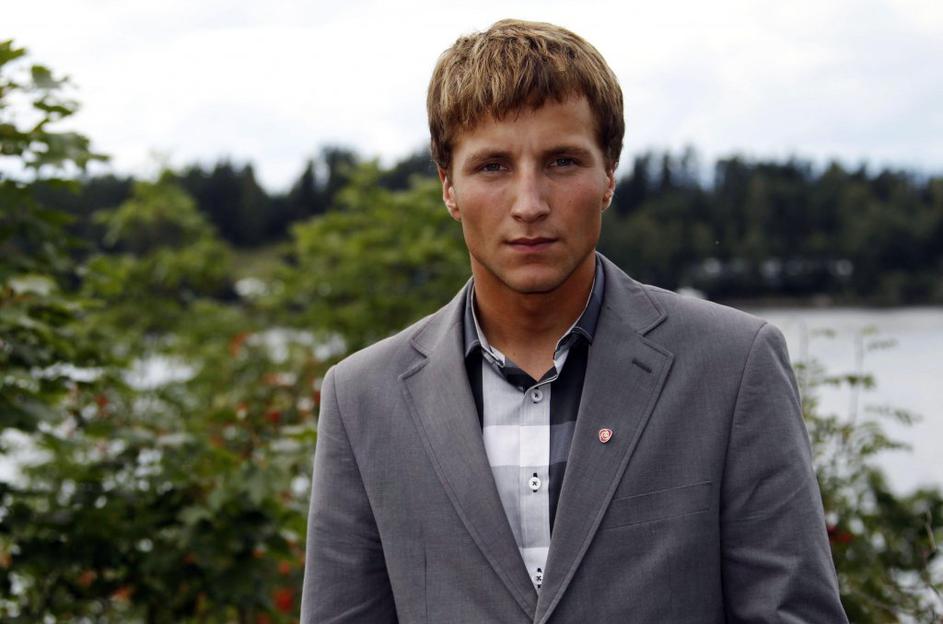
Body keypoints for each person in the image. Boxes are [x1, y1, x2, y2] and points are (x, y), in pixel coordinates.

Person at [301, 18, 847, 623]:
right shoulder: (362, 398)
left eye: (562, 162)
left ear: (608, 174)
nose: (529, 204)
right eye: (492, 167)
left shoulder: (733, 366)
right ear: (448, 186)